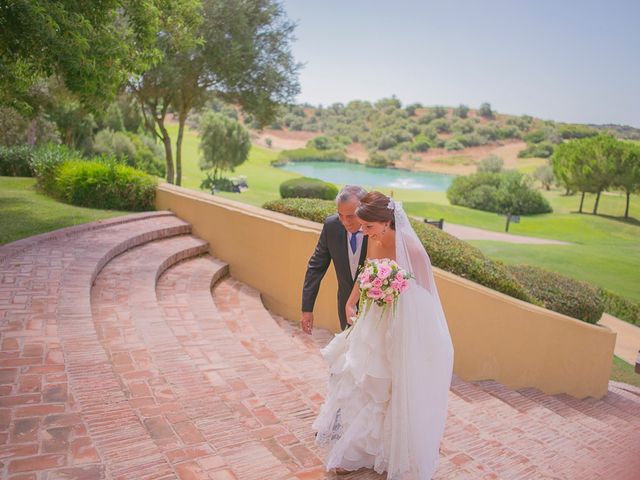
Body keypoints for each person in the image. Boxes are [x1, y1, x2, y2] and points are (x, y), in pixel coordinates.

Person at [312, 191, 455, 479]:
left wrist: (396, 297)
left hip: (402, 325)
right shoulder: (373, 240)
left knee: (393, 386)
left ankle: (394, 448)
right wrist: (351, 301)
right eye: (362, 227)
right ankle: (360, 448)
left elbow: (426, 294)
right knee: (367, 383)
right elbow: (366, 272)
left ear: (386, 222)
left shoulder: (412, 249)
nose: (363, 233)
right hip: (375, 322)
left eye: (368, 227)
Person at [301, 185, 369, 333]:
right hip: (345, 307)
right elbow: (316, 267)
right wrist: (307, 308)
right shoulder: (331, 226)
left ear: (364, 209)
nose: (345, 222)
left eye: (351, 216)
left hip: (376, 308)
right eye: (340, 215)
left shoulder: (377, 230)